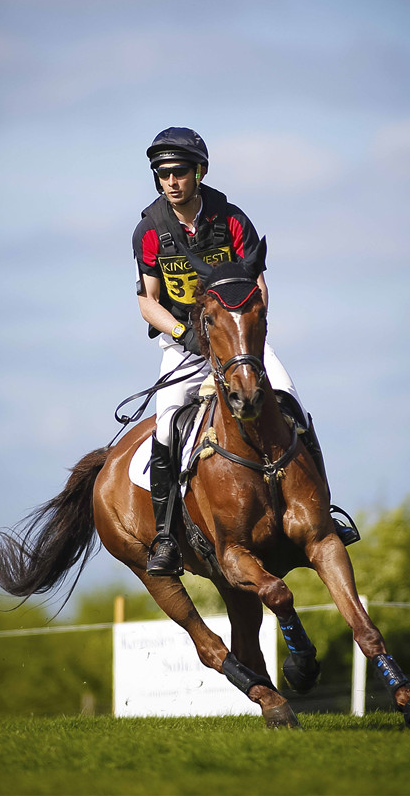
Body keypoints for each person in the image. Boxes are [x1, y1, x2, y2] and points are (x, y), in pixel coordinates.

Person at [132, 127, 358, 576]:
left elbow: (258, 285)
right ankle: (164, 537)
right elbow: (146, 300)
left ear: (199, 172)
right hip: (184, 346)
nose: (170, 182)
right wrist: (182, 331)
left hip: (239, 343)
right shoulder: (150, 230)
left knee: (290, 396)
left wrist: (247, 337)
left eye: (178, 172)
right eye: (162, 175)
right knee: (166, 419)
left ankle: (324, 510)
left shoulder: (232, 220)